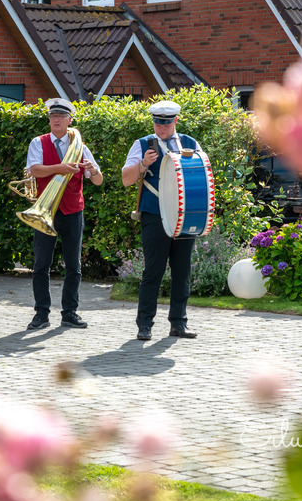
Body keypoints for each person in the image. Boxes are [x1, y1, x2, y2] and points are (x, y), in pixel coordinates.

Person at [121, 100, 200, 341]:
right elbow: (126, 179)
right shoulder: (142, 144)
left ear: (175, 121)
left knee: (182, 271)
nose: (161, 128)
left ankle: (179, 323)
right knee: (153, 271)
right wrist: (143, 164)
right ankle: (144, 325)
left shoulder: (190, 143)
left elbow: (200, 176)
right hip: (155, 215)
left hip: (185, 215)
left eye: (165, 123)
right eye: (157, 123)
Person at [25, 98, 103, 330]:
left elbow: (98, 181)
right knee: (41, 264)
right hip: (45, 210)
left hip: (72, 210)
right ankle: (41, 313)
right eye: (52, 116)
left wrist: (92, 170)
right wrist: (60, 168)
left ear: (70, 120)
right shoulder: (38, 143)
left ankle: (70, 312)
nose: (56, 120)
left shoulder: (79, 146)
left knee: (73, 264)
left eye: (60, 117)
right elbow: (34, 170)